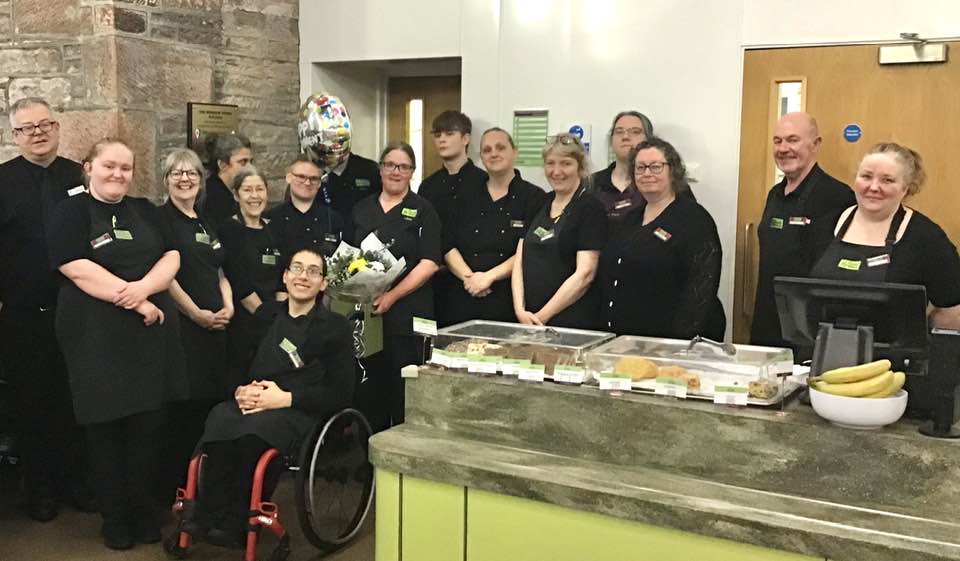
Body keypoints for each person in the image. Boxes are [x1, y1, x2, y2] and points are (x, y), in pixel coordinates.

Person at [46, 138, 187, 549]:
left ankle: (143, 512)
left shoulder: (144, 209)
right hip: (96, 335)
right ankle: (115, 519)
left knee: (148, 427)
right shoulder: (70, 211)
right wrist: (136, 301)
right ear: (89, 167)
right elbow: (76, 267)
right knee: (107, 430)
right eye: (109, 165)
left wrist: (144, 289)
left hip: (149, 336)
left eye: (126, 168)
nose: (118, 174)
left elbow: (173, 256)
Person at [172, 247, 354, 548]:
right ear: (285, 276)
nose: (303, 276)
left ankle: (237, 520)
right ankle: (208, 513)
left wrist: (286, 399)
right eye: (297, 268)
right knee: (219, 420)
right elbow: (236, 364)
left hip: (298, 407)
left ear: (323, 283)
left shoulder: (335, 328)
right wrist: (239, 390)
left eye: (313, 271)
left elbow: (341, 391)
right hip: (253, 398)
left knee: (253, 436)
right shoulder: (265, 315)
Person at [0, 97, 93, 522]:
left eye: (44, 124)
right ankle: (39, 491)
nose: (37, 133)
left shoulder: (80, 176)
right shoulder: (2, 181)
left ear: (57, 128)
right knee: (32, 404)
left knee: (74, 400)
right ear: (14, 135)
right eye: (27, 128)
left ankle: (76, 483)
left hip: (77, 312)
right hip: (23, 315)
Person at [809, 143, 960, 328]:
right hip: (823, 344)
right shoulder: (824, 226)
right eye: (866, 176)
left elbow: (952, 310)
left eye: (887, 180)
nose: (873, 187)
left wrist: (921, 337)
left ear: (906, 188)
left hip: (894, 347)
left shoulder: (927, 239)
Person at [155, 148, 234, 496]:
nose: (184, 179)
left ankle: (199, 485)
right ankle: (174, 488)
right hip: (184, 328)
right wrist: (195, 313)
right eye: (177, 173)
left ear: (201, 181)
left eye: (191, 173)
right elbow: (166, 278)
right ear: (166, 180)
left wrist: (228, 306)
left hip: (216, 329)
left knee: (209, 407)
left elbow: (219, 271)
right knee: (184, 410)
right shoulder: (161, 220)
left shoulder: (205, 221)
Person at [352, 142, 441, 431]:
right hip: (367, 315)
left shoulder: (424, 210)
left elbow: (429, 263)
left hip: (408, 315)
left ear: (412, 172)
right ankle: (370, 454)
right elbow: (348, 257)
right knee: (370, 391)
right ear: (380, 169)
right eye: (390, 165)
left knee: (405, 392)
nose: (396, 171)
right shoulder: (361, 209)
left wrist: (392, 295)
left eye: (403, 167)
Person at [599, 138, 725, 339]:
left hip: (672, 341)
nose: (647, 173)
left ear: (673, 171)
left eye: (656, 167)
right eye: (640, 168)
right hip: (627, 339)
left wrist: (679, 343)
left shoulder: (694, 220)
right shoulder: (629, 219)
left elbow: (701, 288)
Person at [751, 112, 855, 349]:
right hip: (768, 319)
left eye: (793, 140)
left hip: (809, 328)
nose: (783, 148)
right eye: (777, 141)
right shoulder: (775, 194)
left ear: (815, 144)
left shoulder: (837, 196)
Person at [443, 127, 547, 324]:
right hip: (463, 297)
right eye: (487, 150)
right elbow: (447, 244)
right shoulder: (464, 195)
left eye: (500, 147)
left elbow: (529, 250)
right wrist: (470, 279)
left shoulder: (534, 198)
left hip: (509, 302)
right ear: (481, 157)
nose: (493, 154)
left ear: (514, 152)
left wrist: (488, 277)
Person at [511, 133, 607, 330]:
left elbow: (585, 274)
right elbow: (519, 260)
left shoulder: (590, 208)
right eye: (550, 163)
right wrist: (520, 309)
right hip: (529, 319)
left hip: (571, 322)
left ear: (580, 167)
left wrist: (542, 317)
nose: (556, 171)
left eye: (566, 164)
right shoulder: (538, 202)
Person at [417, 110, 487, 326]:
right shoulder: (428, 186)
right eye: (437, 135)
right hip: (434, 280)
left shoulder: (484, 182)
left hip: (475, 279)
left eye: (449, 134)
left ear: (465, 139)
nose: (442, 140)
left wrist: (470, 277)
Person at [219, 165, 284, 390]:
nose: (254, 196)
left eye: (259, 189)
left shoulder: (274, 229)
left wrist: (281, 317)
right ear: (236, 195)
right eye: (247, 190)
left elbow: (283, 278)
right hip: (245, 324)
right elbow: (240, 283)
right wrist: (269, 320)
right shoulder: (229, 229)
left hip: (275, 320)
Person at [265, 157, 349, 262]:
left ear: (319, 183)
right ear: (289, 178)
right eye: (301, 177)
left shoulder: (333, 219)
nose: (307, 183)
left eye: (313, 178)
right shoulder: (271, 219)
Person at [201, 133, 252, 226]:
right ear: (222, 165)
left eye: (250, 162)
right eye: (243, 162)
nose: (249, 168)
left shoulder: (240, 193)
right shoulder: (210, 198)